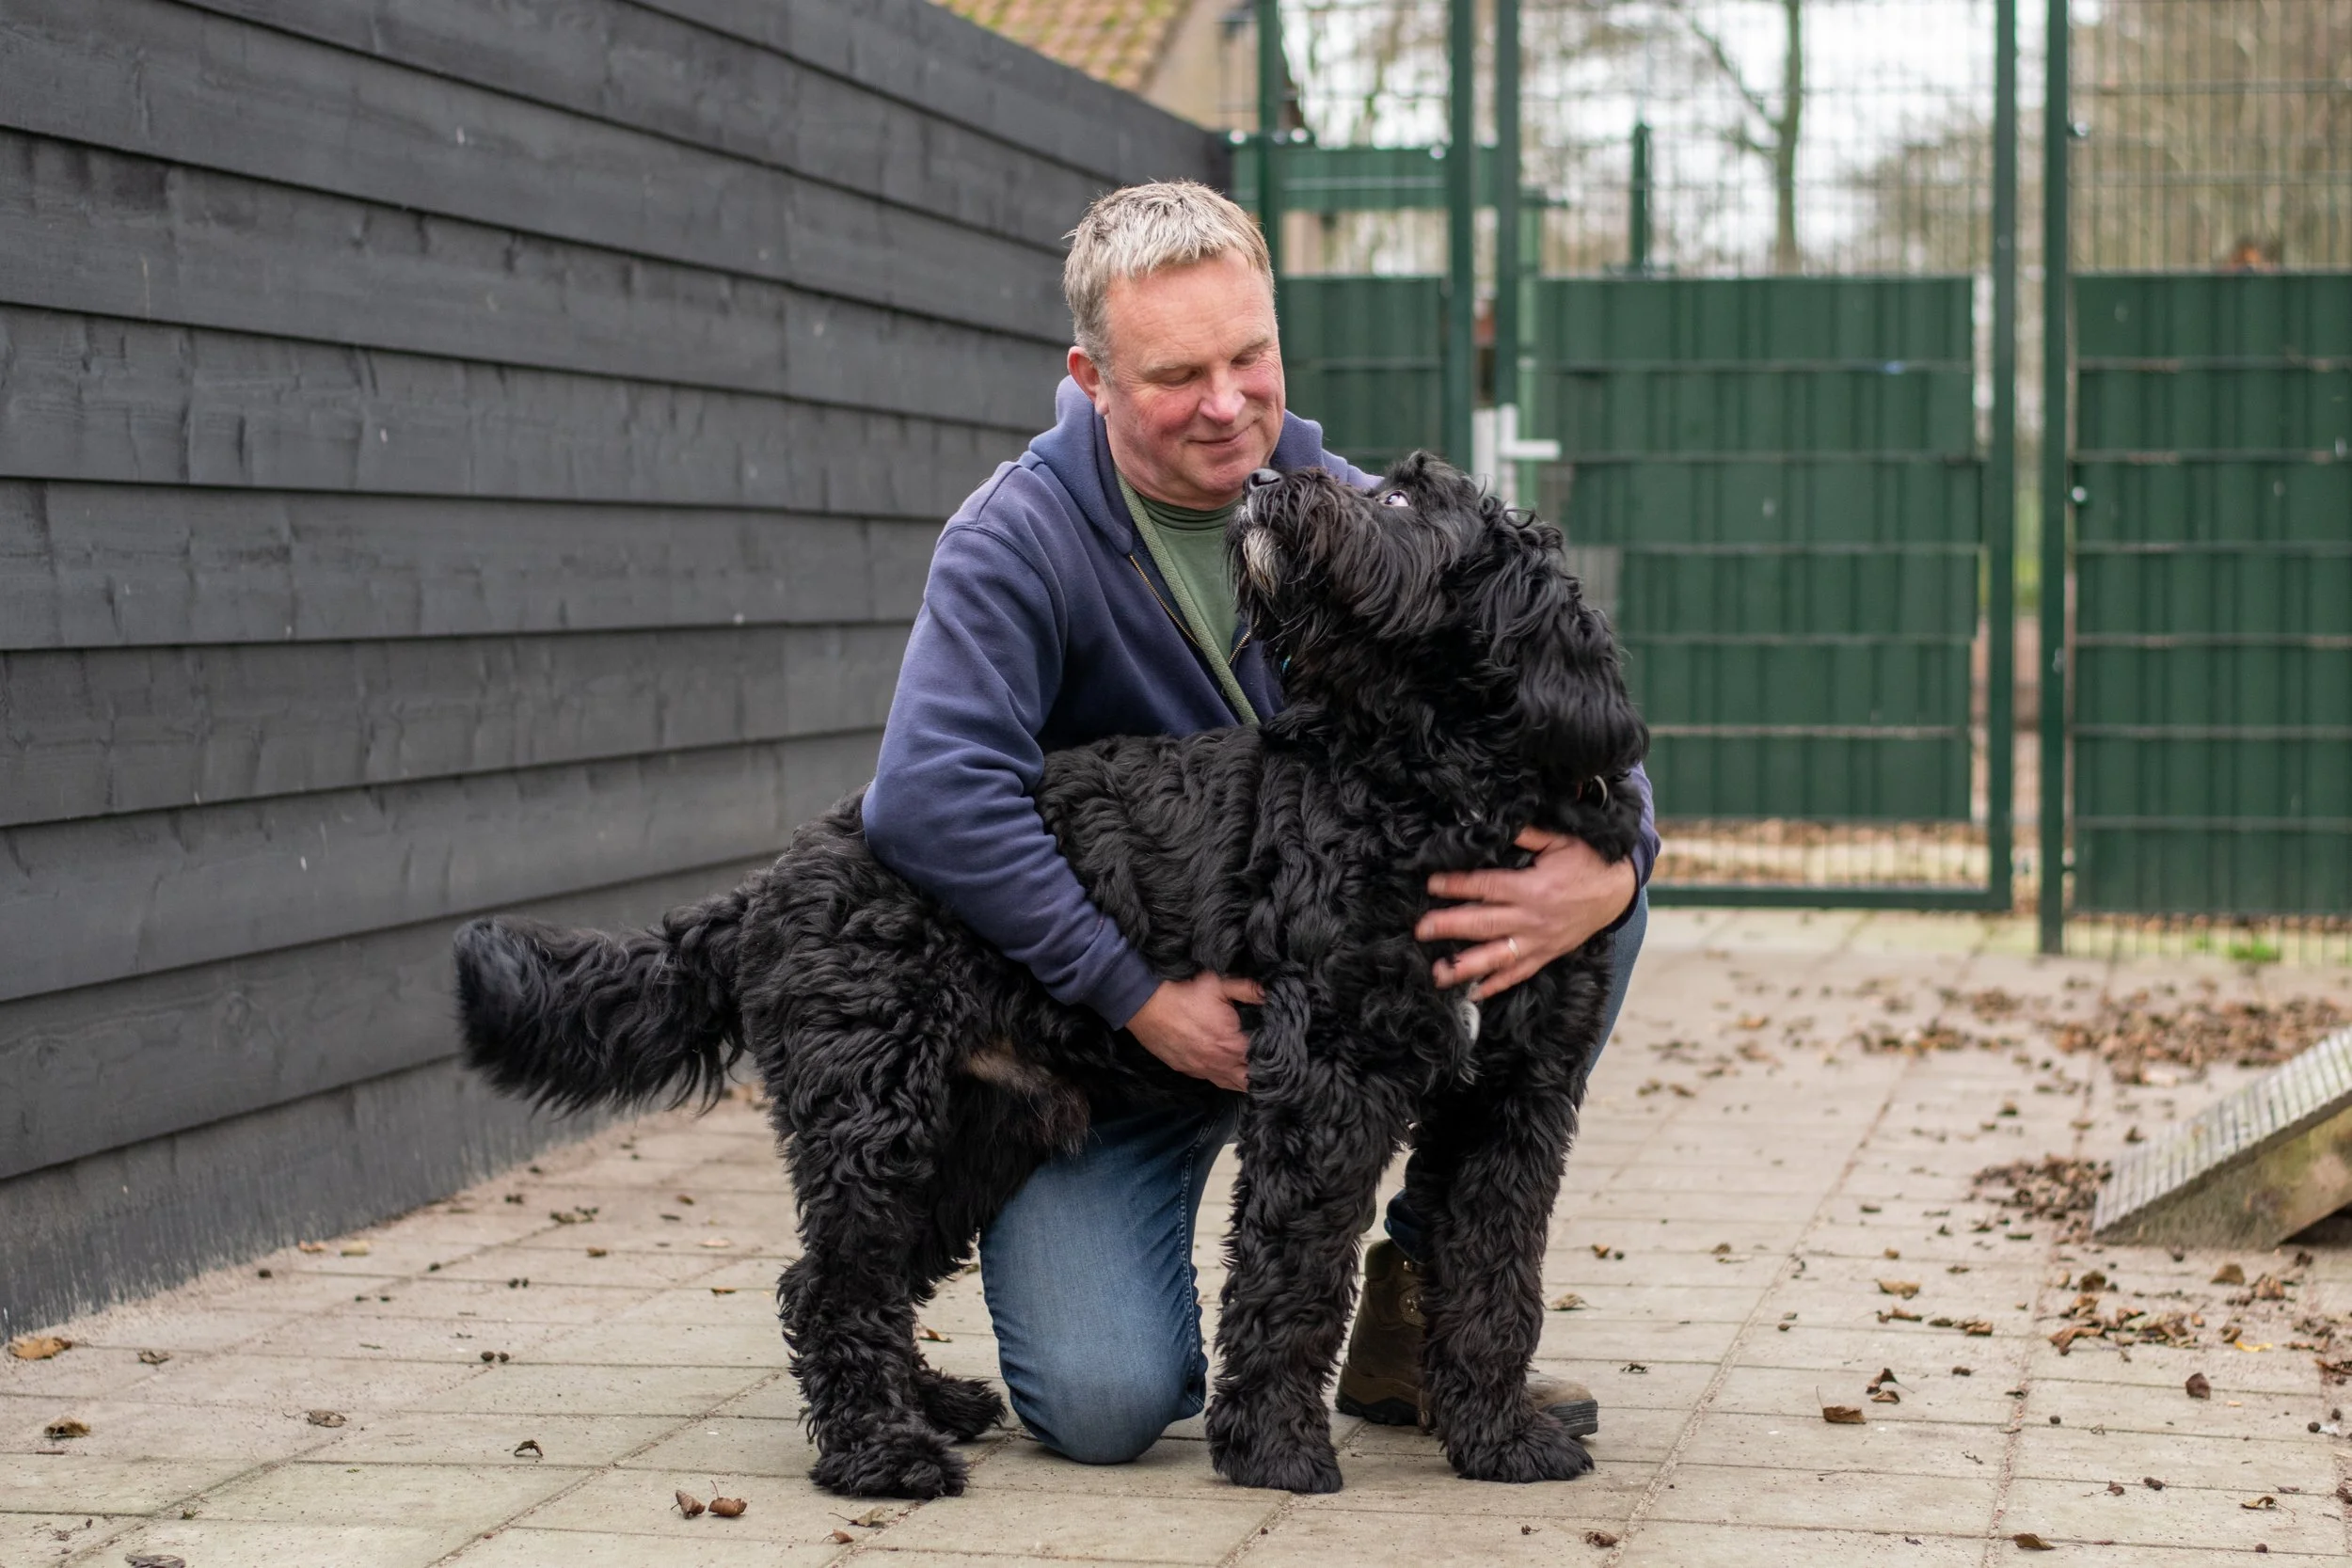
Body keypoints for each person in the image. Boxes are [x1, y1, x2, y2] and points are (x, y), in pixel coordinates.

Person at [859, 181, 1658, 1465]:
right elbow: (930, 799)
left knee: (1579, 903)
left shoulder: (1347, 512)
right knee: (1107, 1399)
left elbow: (1554, 709)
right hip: (1117, 1022)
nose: (1228, 404)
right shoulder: (1015, 544)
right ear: (1093, 376)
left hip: (1337, 990)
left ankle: (1415, 1291)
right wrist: (1131, 993)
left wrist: (1611, 879)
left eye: (1250, 357)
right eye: (1179, 373)